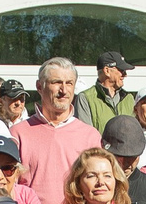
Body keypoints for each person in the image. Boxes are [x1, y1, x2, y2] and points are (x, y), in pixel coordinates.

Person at [16, 57, 101, 191]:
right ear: (39, 87)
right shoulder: (17, 134)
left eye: (69, 83)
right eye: (56, 82)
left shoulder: (90, 136)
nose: (64, 90)